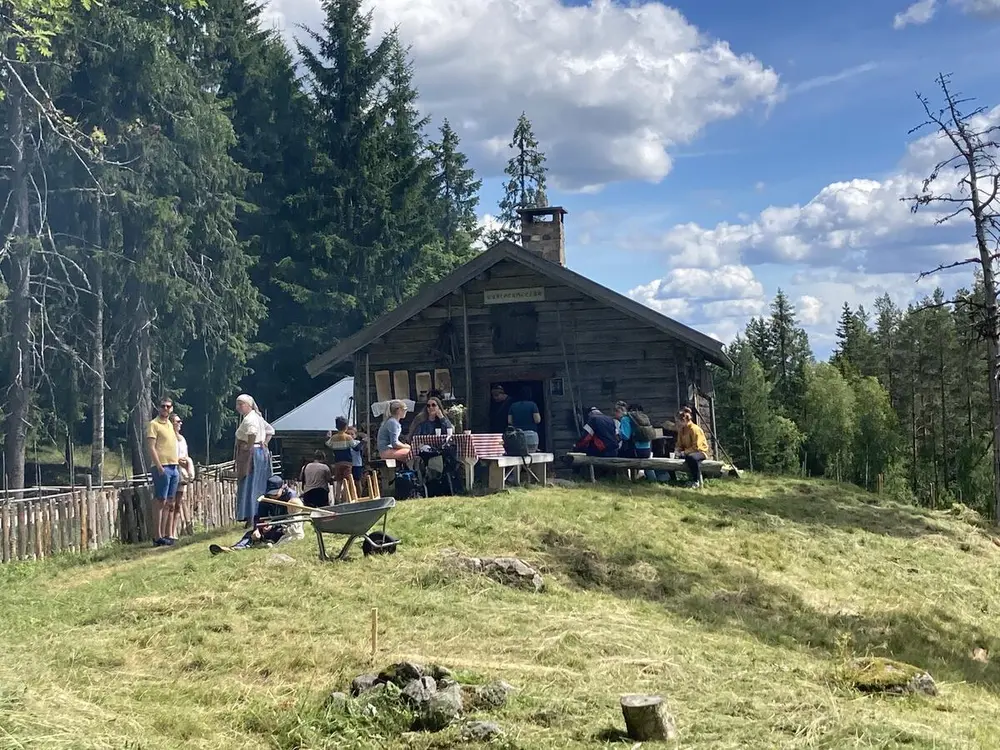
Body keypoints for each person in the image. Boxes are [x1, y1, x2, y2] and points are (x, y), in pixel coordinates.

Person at [209, 475, 306, 554]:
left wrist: (273, 526)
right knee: (251, 534)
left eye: (275, 494)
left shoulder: (291, 497)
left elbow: (294, 518)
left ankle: (260, 543)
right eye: (271, 494)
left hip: (285, 526)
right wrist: (258, 528)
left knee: (276, 533)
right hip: (271, 525)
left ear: (282, 488)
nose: (273, 497)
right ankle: (235, 548)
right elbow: (259, 516)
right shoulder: (265, 498)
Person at [234, 393, 274, 527]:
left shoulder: (250, 419)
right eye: (237, 404)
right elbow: (270, 431)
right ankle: (256, 515)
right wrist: (264, 443)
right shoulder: (257, 417)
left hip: (252, 454)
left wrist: (249, 447)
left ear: (249, 405)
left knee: (250, 483)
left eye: (241, 404)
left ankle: (251, 516)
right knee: (257, 484)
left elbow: (252, 433)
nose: (238, 407)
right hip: (260, 452)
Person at [147, 397, 180, 547]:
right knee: (160, 501)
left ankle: (167, 534)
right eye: (163, 406)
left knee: (170, 502)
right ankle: (157, 535)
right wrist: (159, 466)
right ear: (158, 408)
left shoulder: (170, 425)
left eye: (168, 406)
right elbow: (151, 447)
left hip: (174, 466)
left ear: (171, 409)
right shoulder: (154, 425)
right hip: (163, 467)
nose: (165, 409)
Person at [671, 406, 709, 488]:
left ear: (684, 420)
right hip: (687, 452)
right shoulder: (682, 430)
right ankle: (673, 479)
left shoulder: (695, 429)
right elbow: (679, 444)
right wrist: (677, 450)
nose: (677, 423)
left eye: (678, 421)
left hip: (700, 452)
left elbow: (696, 447)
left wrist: (684, 452)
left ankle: (696, 481)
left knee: (690, 458)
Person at [171, 413, 196, 538]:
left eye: (180, 421)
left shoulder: (182, 439)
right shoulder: (170, 438)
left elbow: (185, 455)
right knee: (169, 502)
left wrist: (187, 463)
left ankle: (173, 531)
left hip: (182, 472)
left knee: (178, 503)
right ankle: (168, 532)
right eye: (177, 421)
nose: (180, 423)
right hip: (172, 469)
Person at [617, 402, 656, 480]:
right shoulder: (644, 418)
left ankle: (625, 479)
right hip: (647, 451)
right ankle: (641, 478)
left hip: (635, 451)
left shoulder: (626, 419)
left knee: (617, 455)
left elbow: (626, 436)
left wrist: (619, 432)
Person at [327, 417, 361, 503]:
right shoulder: (348, 437)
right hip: (347, 462)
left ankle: (337, 498)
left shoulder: (334, 438)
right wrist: (361, 442)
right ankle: (345, 498)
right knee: (347, 480)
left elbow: (328, 444)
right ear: (346, 427)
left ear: (336, 426)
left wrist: (328, 437)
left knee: (339, 481)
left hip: (337, 462)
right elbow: (355, 447)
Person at [507, 386, 541, 453]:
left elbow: (509, 421)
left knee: (518, 455)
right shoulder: (533, 405)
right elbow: (537, 420)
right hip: (531, 434)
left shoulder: (513, 406)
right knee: (531, 456)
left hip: (517, 435)